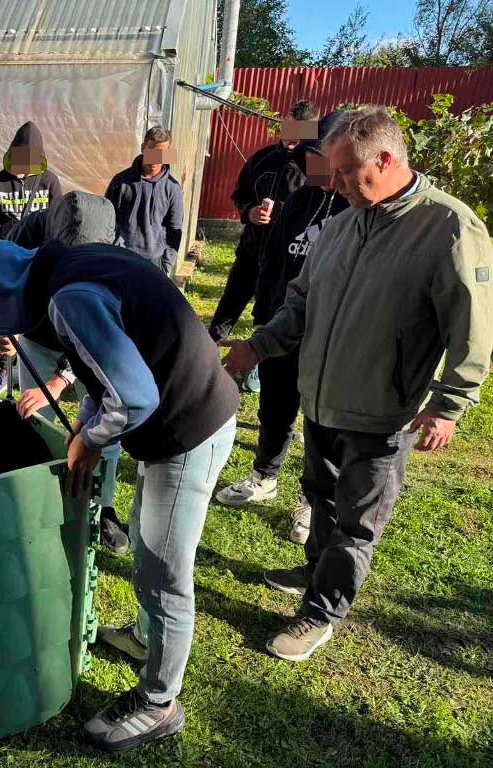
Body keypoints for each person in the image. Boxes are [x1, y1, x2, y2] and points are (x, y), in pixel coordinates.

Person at [221, 106, 493, 662]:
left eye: (347, 172)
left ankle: (321, 613)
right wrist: (257, 345)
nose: (336, 183)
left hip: (382, 411)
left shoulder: (449, 227)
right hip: (321, 398)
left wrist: (449, 405)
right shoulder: (342, 223)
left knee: (356, 523)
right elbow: (300, 302)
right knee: (320, 497)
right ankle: (313, 571)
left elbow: (473, 326)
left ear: (387, 159)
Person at [0, 237, 240, 753]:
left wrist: (88, 440)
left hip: (187, 427)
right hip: (180, 414)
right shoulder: (71, 264)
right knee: (148, 544)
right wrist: (86, 420)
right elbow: (105, 364)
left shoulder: (67, 300)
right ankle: (146, 637)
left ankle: (159, 703)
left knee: (162, 570)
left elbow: (134, 396)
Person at [215, 111, 350, 546]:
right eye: (314, 158)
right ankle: (264, 475)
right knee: (275, 406)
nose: (319, 170)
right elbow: (271, 263)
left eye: (326, 160)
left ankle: (312, 500)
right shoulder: (298, 201)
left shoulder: (358, 209)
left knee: (320, 421)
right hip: (279, 324)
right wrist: (262, 318)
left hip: (328, 339)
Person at [2, 191, 129, 553]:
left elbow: (102, 339)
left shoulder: (115, 257)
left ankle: (100, 506)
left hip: (89, 341)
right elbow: (3, 287)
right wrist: (5, 326)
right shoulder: (26, 236)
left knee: (106, 427)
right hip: (39, 336)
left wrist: (60, 380)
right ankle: (38, 502)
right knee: (35, 418)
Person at [209, 99, 320, 393]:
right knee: (229, 305)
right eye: (288, 124)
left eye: (300, 129)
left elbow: (323, 206)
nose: (290, 133)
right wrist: (249, 212)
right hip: (251, 248)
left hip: (287, 259)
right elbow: (240, 194)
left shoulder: (316, 165)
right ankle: (206, 359)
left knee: (272, 313)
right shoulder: (261, 158)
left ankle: (258, 369)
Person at [0, 120, 63, 396]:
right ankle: (5, 371)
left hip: (37, 266)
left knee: (34, 323)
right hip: (7, 266)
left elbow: (58, 224)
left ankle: (40, 372)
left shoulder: (49, 181)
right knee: (7, 324)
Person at [104, 125, 183, 275]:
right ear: (142, 147)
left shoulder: (172, 188)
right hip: (123, 257)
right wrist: (114, 248)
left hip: (155, 262)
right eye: (151, 150)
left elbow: (175, 229)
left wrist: (166, 264)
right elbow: (106, 218)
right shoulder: (121, 181)